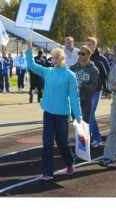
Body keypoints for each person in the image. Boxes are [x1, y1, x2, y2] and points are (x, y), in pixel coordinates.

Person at [25, 37, 82, 181]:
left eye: (57, 57)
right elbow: (32, 65)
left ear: (63, 58)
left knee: (62, 142)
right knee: (48, 142)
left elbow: (74, 97)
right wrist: (30, 49)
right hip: (49, 112)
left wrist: (78, 116)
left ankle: (70, 161)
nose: (54, 60)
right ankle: (47, 172)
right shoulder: (48, 71)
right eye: (52, 57)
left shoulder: (70, 75)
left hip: (62, 113)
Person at [85, 36, 111, 148]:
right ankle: (97, 137)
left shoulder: (101, 59)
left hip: (96, 90)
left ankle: (89, 138)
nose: (87, 47)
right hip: (85, 91)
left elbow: (108, 75)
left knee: (90, 113)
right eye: (86, 44)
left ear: (95, 46)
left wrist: (108, 90)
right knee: (90, 115)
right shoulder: (83, 57)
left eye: (90, 44)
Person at [69, 45, 99, 124]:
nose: (80, 55)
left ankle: (86, 137)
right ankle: (77, 137)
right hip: (74, 100)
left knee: (84, 125)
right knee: (76, 124)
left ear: (89, 55)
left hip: (86, 101)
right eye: (79, 53)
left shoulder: (93, 69)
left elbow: (93, 86)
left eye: (83, 54)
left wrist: (82, 86)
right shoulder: (72, 68)